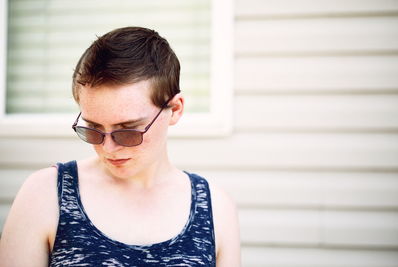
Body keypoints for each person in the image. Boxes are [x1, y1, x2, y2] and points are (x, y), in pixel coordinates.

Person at [0, 26, 241, 266]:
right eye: (93, 128)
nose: (108, 148)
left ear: (175, 109)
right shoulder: (45, 195)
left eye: (127, 131)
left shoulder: (215, 209)